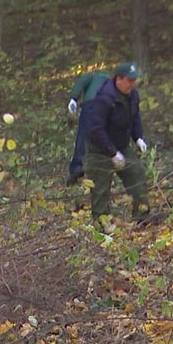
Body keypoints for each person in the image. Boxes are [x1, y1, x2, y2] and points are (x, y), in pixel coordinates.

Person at [85, 62, 151, 225]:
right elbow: (96, 129)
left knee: (137, 174)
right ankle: (101, 229)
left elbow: (134, 117)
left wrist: (138, 138)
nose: (132, 84)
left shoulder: (132, 94)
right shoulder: (104, 99)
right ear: (119, 79)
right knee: (100, 191)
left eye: (134, 80)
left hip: (122, 146)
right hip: (99, 151)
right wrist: (112, 153)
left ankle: (142, 219)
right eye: (129, 80)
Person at [66, 69, 110, 185]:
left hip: (90, 104)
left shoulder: (93, 76)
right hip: (107, 106)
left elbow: (81, 82)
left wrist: (73, 98)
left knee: (83, 135)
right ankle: (101, 165)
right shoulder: (111, 81)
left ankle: (76, 166)